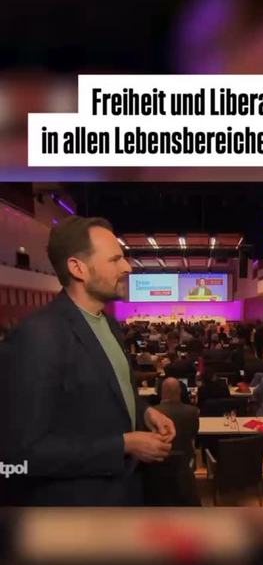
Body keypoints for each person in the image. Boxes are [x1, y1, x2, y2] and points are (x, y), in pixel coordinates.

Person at [1, 216, 176, 506]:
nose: (127, 267)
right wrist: (124, 444)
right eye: (115, 260)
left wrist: (146, 413)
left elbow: (112, 394)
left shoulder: (111, 325)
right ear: (78, 268)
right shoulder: (37, 336)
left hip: (126, 495)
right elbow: (22, 455)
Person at [153, 377, 201, 506]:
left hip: (158, 467)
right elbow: (193, 435)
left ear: (161, 392)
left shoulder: (153, 413)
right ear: (180, 392)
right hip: (185, 466)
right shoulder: (193, 412)